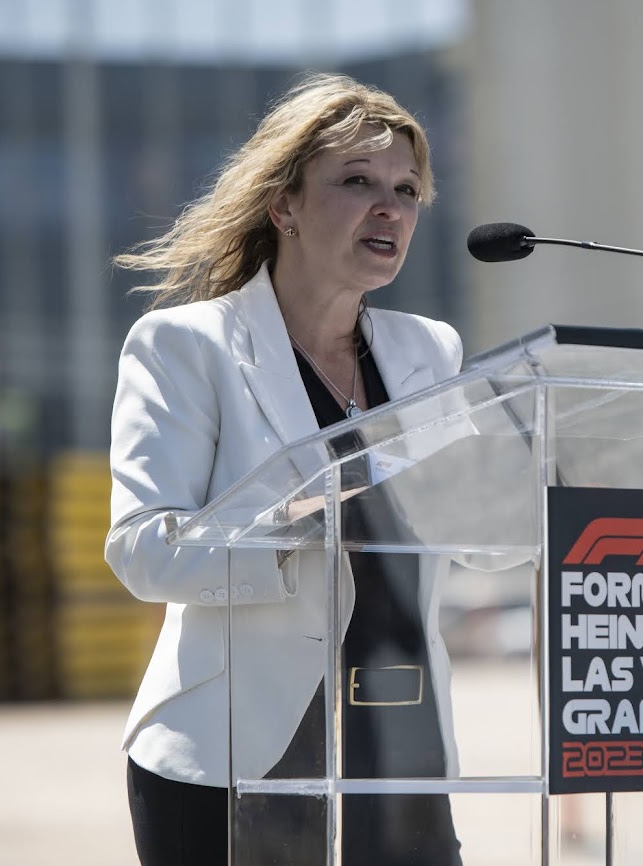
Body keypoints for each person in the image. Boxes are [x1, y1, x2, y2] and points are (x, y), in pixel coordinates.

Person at [107, 73, 464, 866]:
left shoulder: (430, 351)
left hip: (400, 738)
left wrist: (550, 496)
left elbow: (472, 524)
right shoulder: (184, 347)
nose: (390, 207)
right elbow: (141, 549)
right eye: (357, 182)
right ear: (285, 206)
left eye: (406, 189)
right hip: (232, 751)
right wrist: (292, 523)